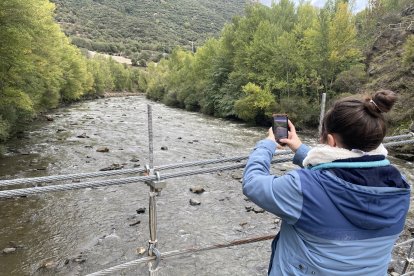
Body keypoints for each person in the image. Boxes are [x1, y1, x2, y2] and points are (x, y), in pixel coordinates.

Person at [242, 90, 411, 275]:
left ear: (331, 141)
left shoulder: (302, 187)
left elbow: (252, 182)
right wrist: (299, 149)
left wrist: (267, 144)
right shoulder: (399, 185)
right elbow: (349, 168)